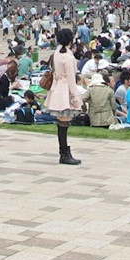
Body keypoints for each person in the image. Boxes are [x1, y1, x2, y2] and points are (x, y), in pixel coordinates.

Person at [44, 27, 84, 165]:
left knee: (62, 122)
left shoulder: (57, 53)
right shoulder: (67, 56)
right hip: (64, 90)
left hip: (57, 88)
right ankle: (64, 153)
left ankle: (64, 152)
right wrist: (75, 97)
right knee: (64, 122)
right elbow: (71, 79)